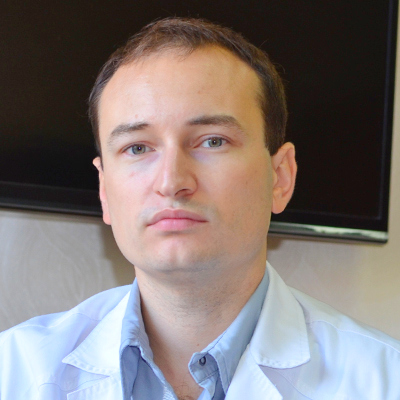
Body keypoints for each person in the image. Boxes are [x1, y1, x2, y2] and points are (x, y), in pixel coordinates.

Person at [1, 17, 400, 400]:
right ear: (104, 189)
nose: (171, 181)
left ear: (279, 177)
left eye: (212, 141)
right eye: (137, 148)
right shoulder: (13, 372)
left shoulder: (386, 382)